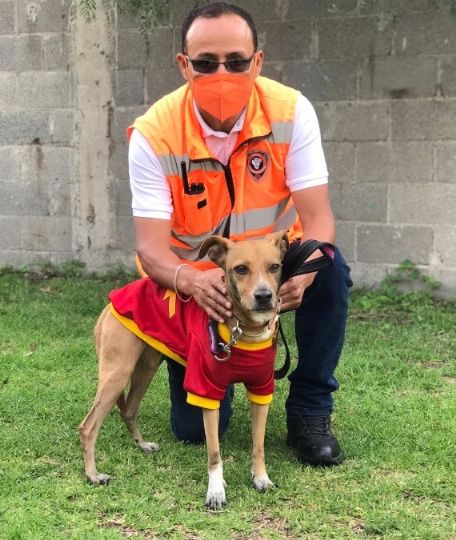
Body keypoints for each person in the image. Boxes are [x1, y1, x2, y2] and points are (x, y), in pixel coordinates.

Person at [126, 2, 351, 465]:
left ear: (258, 61)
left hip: (272, 257)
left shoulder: (292, 110)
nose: (222, 73)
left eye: (237, 61)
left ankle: (310, 408)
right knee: (193, 431)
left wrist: (303, 274)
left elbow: (320, 220)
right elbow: (149, 249)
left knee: (330, 267)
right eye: (206, 63)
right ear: (184, 66)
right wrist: (192, 280)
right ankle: (199, 357)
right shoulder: (154, 132)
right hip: (195, 277)